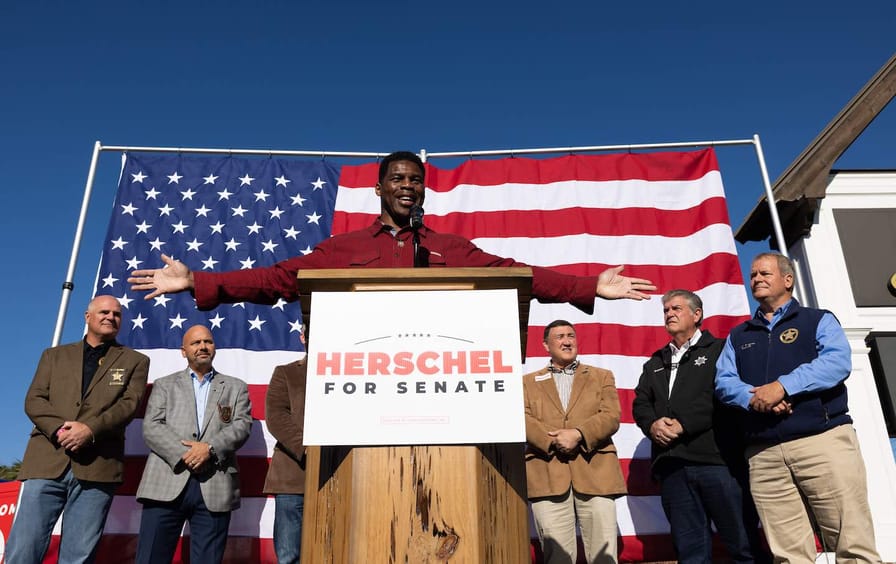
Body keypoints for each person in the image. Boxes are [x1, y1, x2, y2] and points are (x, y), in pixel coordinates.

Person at [127, 151, 655, 311]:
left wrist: (589, 286)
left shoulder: (447, 248)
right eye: (398, 179)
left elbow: (518, 275)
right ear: (379, 188)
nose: (408, 186)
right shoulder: (344, 248)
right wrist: (197, 281)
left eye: (415, 180)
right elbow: (276, 279)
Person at [715, 253, 881, 562]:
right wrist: (755, 398)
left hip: (822, 441)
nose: (756, 279)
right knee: (788, 555)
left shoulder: (818, 320)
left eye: (765, 273)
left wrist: (783, 387)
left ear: (787, 280)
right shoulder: (739, 336)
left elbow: (836, 362)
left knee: (852, 543)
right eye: (753, 275)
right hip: (764, 454)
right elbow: (724, 382)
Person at [5, 295, 150, 564]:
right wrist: (61, 431)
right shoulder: (54, 355)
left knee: (78, 555)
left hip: (98, 466)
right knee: (24, 548)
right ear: (87, 316)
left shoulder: (135, 361)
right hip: (47, 461)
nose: (110, 317)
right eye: (104, 312)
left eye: (116, 314)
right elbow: (34, 400)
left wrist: (89, 430)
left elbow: (128, 406)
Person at [632, 290, 769, 564]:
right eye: (666, 310)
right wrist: (652, 424)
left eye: (676, 309)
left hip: (718, 463)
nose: (669, 314)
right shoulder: (655, 362)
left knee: (743, 546)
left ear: (697, 315)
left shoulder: (720, 350)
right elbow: (641, 403)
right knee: (691, 554)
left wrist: (684, 424)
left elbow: (721, 395)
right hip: (673, 468)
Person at [134, 324, 252, 564]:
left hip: (215, 483)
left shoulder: (235, 386)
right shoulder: (164, 384)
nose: (203, 347)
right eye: (196, 343)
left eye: (208, 341)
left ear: (214, 347)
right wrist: (187, 454)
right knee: (150, 557)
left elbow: (241, 426)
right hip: (166, 482)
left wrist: (209, 449)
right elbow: (152, 426)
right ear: (183, 351)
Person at [523, 319, 626, 564]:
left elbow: (611, 416)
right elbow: (521, 418)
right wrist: (553, 440)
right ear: (545, 345)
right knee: (557, 557)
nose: (567, 341)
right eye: (559, 337)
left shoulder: (601, 376)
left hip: (597, 474)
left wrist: (578, 434)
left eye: (571, 336)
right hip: (547, 475)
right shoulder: (526, 382)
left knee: (604, 556)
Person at [262, 331, 309, 564]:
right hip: (293, 476)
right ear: (303, 337)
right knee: (289, 556)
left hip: (341, 475)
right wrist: (308, 448)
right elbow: (276, 417)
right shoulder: (287, 373)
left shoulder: (350, 373)